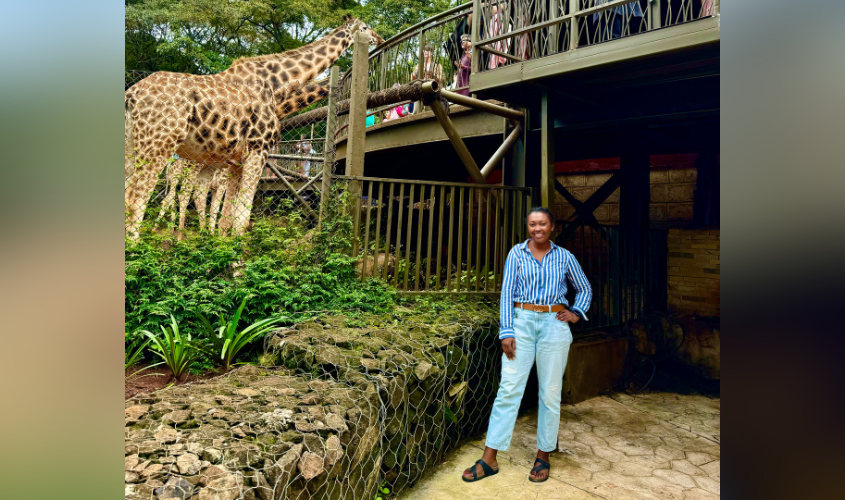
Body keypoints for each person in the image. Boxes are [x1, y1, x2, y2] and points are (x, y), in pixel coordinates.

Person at [461, 207, 592, 484]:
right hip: (520, 323)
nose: (537, 229)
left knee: (550, 392)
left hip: (554, 325)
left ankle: (543, 455)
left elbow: (585, 288)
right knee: (508, 389)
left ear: (552, 226)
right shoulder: (516, 253)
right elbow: (507, 292)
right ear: (528, 227)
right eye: (532, 224)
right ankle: (490, 458)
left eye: (542, 224)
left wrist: (576, 312)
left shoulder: (565, 257)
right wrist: (506, 330)